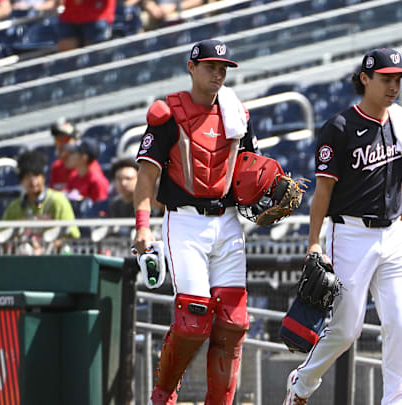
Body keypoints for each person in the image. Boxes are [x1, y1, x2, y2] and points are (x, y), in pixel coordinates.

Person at [283, 48, 402, 405]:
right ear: (365, 79)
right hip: (351, 233)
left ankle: (396, 400)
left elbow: (400, 181)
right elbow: (323, 189)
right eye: (386, 79)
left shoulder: (401, 120)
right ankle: (302, 382)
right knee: (346, 330)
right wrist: (314, 243)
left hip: (392, 234)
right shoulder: (340, 127)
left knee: (400, 324)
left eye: (398, 80)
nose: (394, 86)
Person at [133, 39, 257, 405]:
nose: (218, 73)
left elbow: (250, 171)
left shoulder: (237, 113)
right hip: (185, 222)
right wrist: (142, 225)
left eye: (223, 68)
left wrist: (269, 190)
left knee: (233, 323)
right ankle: (164, 394)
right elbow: (145, 177)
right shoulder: (167, 113)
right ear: (192, 68)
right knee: (193, 320)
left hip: (229, 221)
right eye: (210, 66)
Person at [1, 150, 80, 255]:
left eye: (36, 175)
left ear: (43, 177)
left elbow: (72, 235)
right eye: (27, 177)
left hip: (55, 261)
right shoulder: (14, 207)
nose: (33, 181)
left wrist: (45, 250)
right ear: (21, 180)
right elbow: (1, 238)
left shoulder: (58, 201)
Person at [63, 137, 110, 203]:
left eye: (73, 153)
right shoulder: (74, 176)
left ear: (84, 158)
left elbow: (100, 210)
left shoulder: (98, 182)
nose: (68, 156)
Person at [49, 120, 79, 191]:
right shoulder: (56, 167)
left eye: (65, 139)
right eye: (57, 140)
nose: (60, 144)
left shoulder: (84, 166)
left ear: (76, 140)